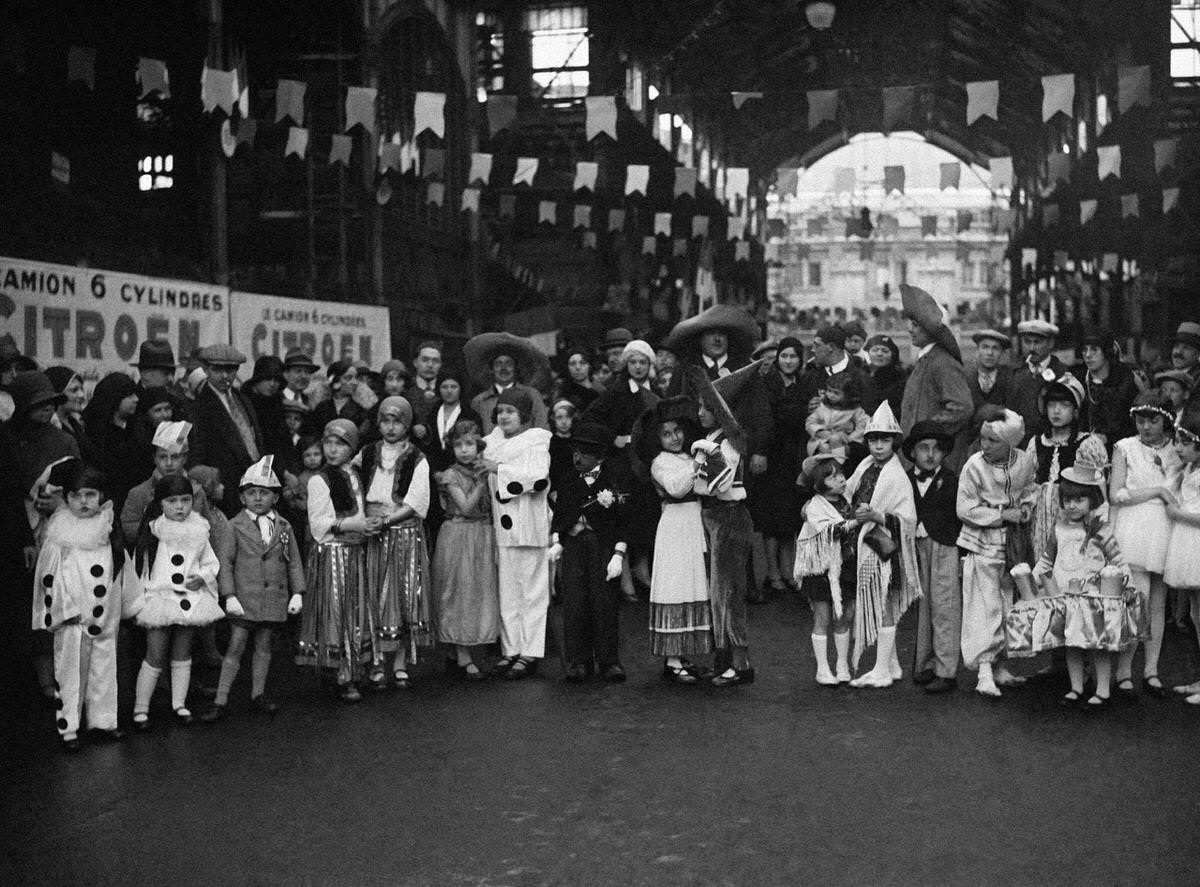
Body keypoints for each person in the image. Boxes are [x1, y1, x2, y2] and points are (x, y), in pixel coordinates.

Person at [1011, 444, 1135, 708]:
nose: (1072, 505)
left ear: (1092, 499)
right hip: (1066, 592)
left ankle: (1103, 688)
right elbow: (1047, 558)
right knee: (1072, 643)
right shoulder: (1059, 528)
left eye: (1079, 500)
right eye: (1067, 500)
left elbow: (1117, 557)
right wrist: (1034, 577)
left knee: (1096, 643)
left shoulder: (1100, 529)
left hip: (1093, 594)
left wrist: (1126, 579)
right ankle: (1076, 686)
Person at [32, 462, 127, 749]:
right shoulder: (60, 533)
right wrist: (62, 611)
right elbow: (48, 578)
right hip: (73, 617)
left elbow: (120, 568)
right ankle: (69, 726)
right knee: (70, 672)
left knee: (104, 668)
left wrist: (123, 603)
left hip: (103, 613)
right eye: (77, 496)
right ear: (67, 498)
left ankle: (103, 721)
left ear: (101, 496)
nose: (84, 502)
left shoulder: (106, 527)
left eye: (90, 495)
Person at [202, 456, 304, 722]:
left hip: (272, 597)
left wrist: (297, 592)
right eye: (251, 493)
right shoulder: (234, 527)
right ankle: (221, 698)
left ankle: (258, 693)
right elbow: (225, 562)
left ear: (275, 498)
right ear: (242, 498)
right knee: (236, 645)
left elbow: (292, 560)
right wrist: (229, 595)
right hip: (245, 597)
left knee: (264, 644)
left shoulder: (283, 527)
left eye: (264, 493)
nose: (258, 498)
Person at [296, 419, 381, 702]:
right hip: (334, 552)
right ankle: (341, 672)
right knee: (338, 611)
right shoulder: (320, 480)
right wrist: (354, 526)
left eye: (340, 444)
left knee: (357, 611)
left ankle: (358, 666)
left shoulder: (356, 473)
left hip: (356, 551)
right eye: (328, 443)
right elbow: (318, 524)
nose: (332, 450)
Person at [129, 474, 223, 728]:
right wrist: (144, 599)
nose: (180, 506)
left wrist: (202, 577)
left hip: (189, 599)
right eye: (172, 501)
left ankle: (178, 704)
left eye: (185, 500)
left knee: (183, 652)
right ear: (160, 503)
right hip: (160, 598)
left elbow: (211, 562)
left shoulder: (199, 528)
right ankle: (140, 707)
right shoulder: (154, 530)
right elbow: (141, 568)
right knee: (155, 653)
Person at [957, 407, 1037, 697]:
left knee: (1006, 603)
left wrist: (1026, 509)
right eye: (983, 438)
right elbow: (964, 508)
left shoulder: (1024, 461)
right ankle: (983, 671)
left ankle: (1000, 665)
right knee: (983, 606)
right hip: (982, 542)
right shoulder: (973, 466)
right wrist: (1003, 516)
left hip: (1013, 544)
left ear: (1011, 443)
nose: (985, 446)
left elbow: (1030, 488)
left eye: (993, 440)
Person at [843, 402, 922, 688]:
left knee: (884, 605)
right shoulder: (864, 466)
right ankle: (892, 664)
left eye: (885, 439)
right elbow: (848, 491)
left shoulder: (897, 476)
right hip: (863, 544)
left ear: (894, 442)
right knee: (878, 603)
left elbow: (908, 520)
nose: (878, 445)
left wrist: (877, 515)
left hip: (884, 547)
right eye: (873, 439)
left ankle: (881, 670)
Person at [1110, 389, 1182, 699]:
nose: (1145, 427)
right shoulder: (1125, 447)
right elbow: (1116, 493)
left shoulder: (1177, 451)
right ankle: (1123, 670)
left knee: (1158, 602)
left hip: (1166, 528)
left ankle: (1151, 669)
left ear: (1165, 421)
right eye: (1140, 420)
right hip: (1135, 525)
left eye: (1152, 421)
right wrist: (1156, 492)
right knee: (1135, 599)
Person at [359, 396, 433, 690]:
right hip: (372, 533)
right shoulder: (366, 453)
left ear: (407, 424)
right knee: (373, 595)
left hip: (401, 532)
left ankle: (400, 661)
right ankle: (376, 660)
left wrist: (388, 521)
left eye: (398, 421)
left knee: (402, 596)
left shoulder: (417, 458)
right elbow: (352, 485)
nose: (391, 427)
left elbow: (415, 502)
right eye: (386, 421)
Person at [688, 366, 756, 686]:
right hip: (713, 516)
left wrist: (707, 452)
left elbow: (720, 482)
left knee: (728, 592)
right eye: (700, 406)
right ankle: (725, 659)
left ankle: (736, 663)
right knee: (717, 592)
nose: (701, 413)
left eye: (707, 407)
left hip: (728, 515)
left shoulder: (727, 442)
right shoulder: (714, 438)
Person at [638, 396, 711, 683]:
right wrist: (698, 465)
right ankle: (671, 658)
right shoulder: (660, 462)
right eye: (666, 434)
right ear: (657, 439)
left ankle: (684, 653)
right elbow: (677, 488)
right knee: (675, 583)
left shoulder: (687, 456)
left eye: (677, 431)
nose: (674, 438)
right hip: (675, 523)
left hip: (695, 519)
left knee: (694, 581)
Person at [551, 420, 631, 683]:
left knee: (604, 602)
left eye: (585, 453)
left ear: (599, 456)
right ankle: (578, 660)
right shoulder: (568, 480)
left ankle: (609, 660)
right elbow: (560, 514)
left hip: (601, 546)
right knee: (575, 603)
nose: (578, 457)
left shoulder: (612, 480)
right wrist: (556, 541)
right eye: (575, 452)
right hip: (574, 545)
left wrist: (618, 554)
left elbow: (622, 520)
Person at [581, 339, 661, 600]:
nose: (638, 367)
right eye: (633, 362)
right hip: (624, 462)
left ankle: (642, 567)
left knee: (648, 515)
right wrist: (611, 437)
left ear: (649, 365)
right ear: (626, 365)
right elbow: (590, 418)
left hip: (649, 460)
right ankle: (625, 573)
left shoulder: (657, 389)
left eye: (643, 362)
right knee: (626, 514)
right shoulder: (617, 391)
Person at [482, 387, 553, 680]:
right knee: (508, 592)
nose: (504, 416)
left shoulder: (537, 441)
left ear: (523, 415)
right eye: (500, 411)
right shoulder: (489, 444)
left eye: (510, 411)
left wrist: (499, 469)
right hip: (503, 526)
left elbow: (537, 478)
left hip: (530, 523)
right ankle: (511, 649)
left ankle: (530, 652)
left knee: (533, 592)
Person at [432, 421, 499, 681]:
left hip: (481, 534)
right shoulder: (451, 475)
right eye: (458, 445)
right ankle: (462, 654)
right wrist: (483, 483)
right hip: (460, 534)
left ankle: (465, 648)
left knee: (478, 591)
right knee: (458, 590)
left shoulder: (483, 468)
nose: (464, 450)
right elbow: (467, 507)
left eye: (469, 444)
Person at [904, 421, 962, 694]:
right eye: (924, 448)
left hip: (943, 543)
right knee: (923, 604)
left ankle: (946, 670)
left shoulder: (950, 480)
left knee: (945, 604)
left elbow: (958, 515)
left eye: (937, 449)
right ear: (913, 452)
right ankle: (924, 663)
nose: (930, 454)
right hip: (915, 545)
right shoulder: (904, 478)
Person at [794, 453, 858, 686]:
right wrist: (855, 522)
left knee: (844, 616)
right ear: (819, 484)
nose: (841, 480)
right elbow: (829, 531)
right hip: (821, 570)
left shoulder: (847, 500)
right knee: (822, 616)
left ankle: (842, 663)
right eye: (832, 478)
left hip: (845, 566)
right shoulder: (814, 507)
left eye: (841, 474)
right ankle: (822, 667)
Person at [754, 336, 808, 595]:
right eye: (784, 356)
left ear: (800, 359)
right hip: (772, 456)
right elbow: (764, 419)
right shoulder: (767, 383)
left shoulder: (804, 384)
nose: (788, 361)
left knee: (791, 517)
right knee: (772, 519)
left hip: (794, 456)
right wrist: (760, 452)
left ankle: (789, 571)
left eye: (793, 356)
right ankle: (772, 573)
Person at [899, 285, 972, 468]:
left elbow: (962, 407)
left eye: (915, 325)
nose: (909, 329)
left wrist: (927, 432)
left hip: (938, 462)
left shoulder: (943, 363)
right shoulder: (926, 360)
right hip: (919, 460)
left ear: (930, 329)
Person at [189, 344, 264, 518]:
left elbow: (255, 440)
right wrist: (212, 485)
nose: (225, 376)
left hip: (252, 487)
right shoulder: (199, 407)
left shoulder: (242, 399)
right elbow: (197, 457)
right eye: (217, 370)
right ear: (206, 370)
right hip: (224, 492)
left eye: (230, 370)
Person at [1027, 375, 1088, 563]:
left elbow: (1095, 490)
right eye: (1052, 405)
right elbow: (1028, 481)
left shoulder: (1086, 444)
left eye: (1064, 405)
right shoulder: (1036, 443)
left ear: (1076, 410)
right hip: (1040, 517)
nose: (1057, 411)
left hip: (1072, 516)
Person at [120, 421, 209, 542]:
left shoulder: (197, 492)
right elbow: (127, 528)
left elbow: (210, 530)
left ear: (185, 458)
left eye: (175, 457)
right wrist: (160, 530)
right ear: (154, 458)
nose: (169, 463)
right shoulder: (139, 493)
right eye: (163, 457)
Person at [1166, 413, 1200, 703]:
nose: (1178, 447)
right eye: (1177, 441)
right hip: (1188, 542)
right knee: (1194, 613)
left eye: (1184, 442)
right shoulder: (1188, 469)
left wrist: (1179, 515)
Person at [81, 372, 144, 514]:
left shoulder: (136, 428)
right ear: (114, 399)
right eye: (129, 396)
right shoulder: (95, 434)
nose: (136, 399)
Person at [465, 332, 551, 434]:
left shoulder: (532, 395)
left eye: (508, 364)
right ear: (491, 369)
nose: (503, 368)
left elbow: (542, 430)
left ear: (515, 367)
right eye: (498, 364)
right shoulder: (479, 401)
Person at [1008, 319, 1069, 442]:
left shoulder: (1063, 373)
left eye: (1037, 342)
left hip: (1052, 441)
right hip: (1021, 443)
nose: (1031, 347)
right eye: (1027, 342)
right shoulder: (1015, 373)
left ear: (1050, 343)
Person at [1076, 336, 1139, 448]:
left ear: (1106, 352)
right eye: (1084, 350)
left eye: (1094, 349)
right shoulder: (1079, 381)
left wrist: (1108, 437)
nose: (1088, 355)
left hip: (1123, 446)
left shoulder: (1125, 380)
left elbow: (1133, 422)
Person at [804, 370, 868, 458]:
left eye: (836, 393)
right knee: (825, 448)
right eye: (829, 391)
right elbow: (810, 422)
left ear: (847, 395)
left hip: (843, 441)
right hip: (821, 439)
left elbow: (863, 424)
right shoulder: (823, 406)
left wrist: (850, 438)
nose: (831, 395)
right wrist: (820, 431)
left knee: (839, 449)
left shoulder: (854, 410)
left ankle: (837, 466)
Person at [967, 329, 1014, 413]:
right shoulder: (965, 378)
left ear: (1002, 353)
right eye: (985, 347)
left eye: (995, 348)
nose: (990, 353)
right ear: (977, 350)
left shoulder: (1011, 379)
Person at [864, 333, 907, 418]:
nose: (879, 354)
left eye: (885, 351)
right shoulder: (860, 373)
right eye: (875, 350)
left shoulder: (899, 378)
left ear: (892, 355)